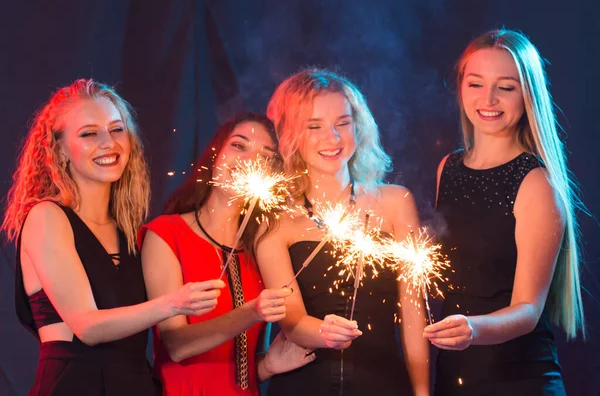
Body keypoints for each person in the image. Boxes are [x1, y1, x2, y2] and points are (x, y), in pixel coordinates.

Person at [2, 79, 224, 395]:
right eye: (89, 133)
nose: (108, 142)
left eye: (117, 129)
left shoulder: (127, 230)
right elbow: (87, 326)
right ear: (60, 149)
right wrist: (174, 303)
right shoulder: (47, 217)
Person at [425, 29, 586, 395]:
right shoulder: (447, 169)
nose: (489, 99)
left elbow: (528, 309)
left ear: (527, 93)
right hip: (454, 378)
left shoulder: (535, 181)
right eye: (476, 84)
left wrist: (473, 329)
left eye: (506, 87)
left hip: (519, 382)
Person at [256, 68, 430, 395]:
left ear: (358, 125)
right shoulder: (276, 219)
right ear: (292, 135)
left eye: (343, 123)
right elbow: (290, 321)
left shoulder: (395, 202)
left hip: (383, 382)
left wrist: (422, 391)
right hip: (305, 385)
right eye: (314, 126)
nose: (332, 138)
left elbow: (413, 313)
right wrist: (323, 331)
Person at [139, 112, 315, 396]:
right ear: (215, 154)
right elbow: (178, 347)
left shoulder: (262, 249)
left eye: (265, 156)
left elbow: (239, 369)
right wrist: (252, 312)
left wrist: (268, 365)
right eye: (239, 145)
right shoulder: (166, 234)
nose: (249, 161)